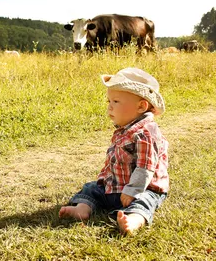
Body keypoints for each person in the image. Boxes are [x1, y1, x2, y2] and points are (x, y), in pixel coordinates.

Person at [59, 67, 169, 235]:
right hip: (115, 187)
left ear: (141, 106)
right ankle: (83, 208)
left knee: (144, 201)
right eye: (109, 102)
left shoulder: (146, 132)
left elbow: (145, 167)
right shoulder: (124, 129)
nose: (110, 107)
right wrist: (104, 181)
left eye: (116, 102)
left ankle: (133, 220)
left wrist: (132, 190)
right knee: (91, 189)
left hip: (142, 188)